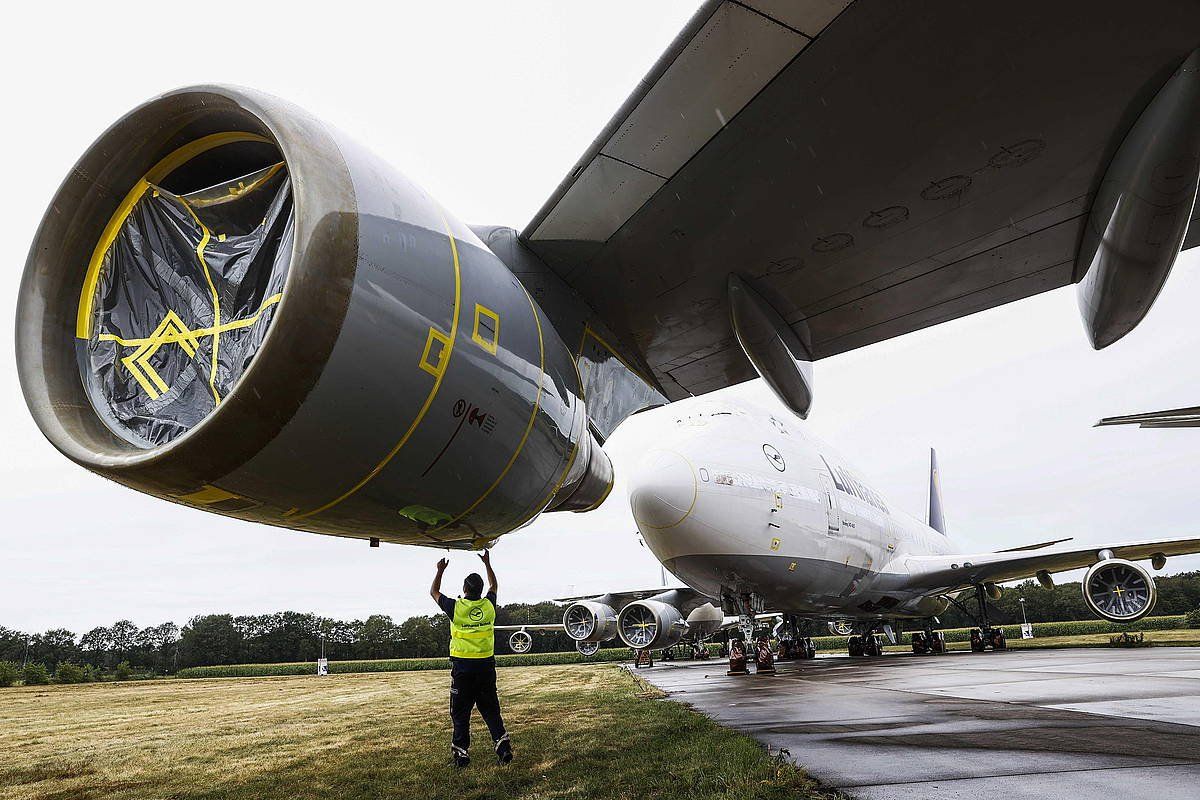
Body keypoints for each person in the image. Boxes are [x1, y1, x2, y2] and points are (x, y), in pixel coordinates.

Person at [431, 550, 512, 768]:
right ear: (481, 590)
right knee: (491, 710)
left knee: (460, 713)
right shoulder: (488, 606)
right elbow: (494, 586)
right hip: (486, 666)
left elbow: (434, 591)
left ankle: (461, 754)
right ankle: (503, 747)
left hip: (463, 668)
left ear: (465, 589)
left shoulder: (456, 608)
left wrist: (440, 570)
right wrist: (488, 563)